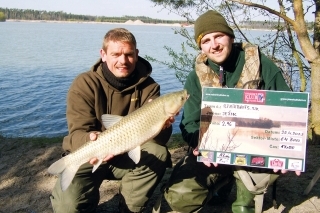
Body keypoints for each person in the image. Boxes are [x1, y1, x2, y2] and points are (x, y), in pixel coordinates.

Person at [162, 10, 300, 213]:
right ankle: (222, 183)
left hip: (257, 148)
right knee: (181, 197)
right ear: (201, 46)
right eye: (206, 40)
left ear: (231, 37)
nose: (214, 45)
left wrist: (288, 151)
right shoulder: (195, 77)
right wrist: (200, 143)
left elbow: (289, 112)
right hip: (215, 151)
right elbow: (189, 123)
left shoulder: (262, 64)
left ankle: (244, 199)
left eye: (219, 36)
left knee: (243, 208)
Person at [50, 28, 174, 213]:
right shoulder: (84, 83)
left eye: (129, 54)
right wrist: (90, 139)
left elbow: (156, 140)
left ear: (136, 54)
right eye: (116, 54)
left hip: (126, 154)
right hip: (91, 154)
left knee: (159, 153)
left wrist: (164, 125)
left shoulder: (150, 87)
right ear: (103, 54)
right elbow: (77, 132)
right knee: (67, 207)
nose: (123, 61)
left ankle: (129, 208)